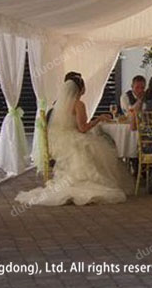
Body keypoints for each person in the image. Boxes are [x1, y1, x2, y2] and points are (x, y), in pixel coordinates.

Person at [15, 72, 132, 206]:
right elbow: (83, 129)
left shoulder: (57, 104)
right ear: (80, 88)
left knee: (93, 146)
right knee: (96, 147)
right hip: (71, 139)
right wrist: (98, 119)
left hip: (57, 143)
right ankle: (86, 184)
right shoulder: (78, 104)